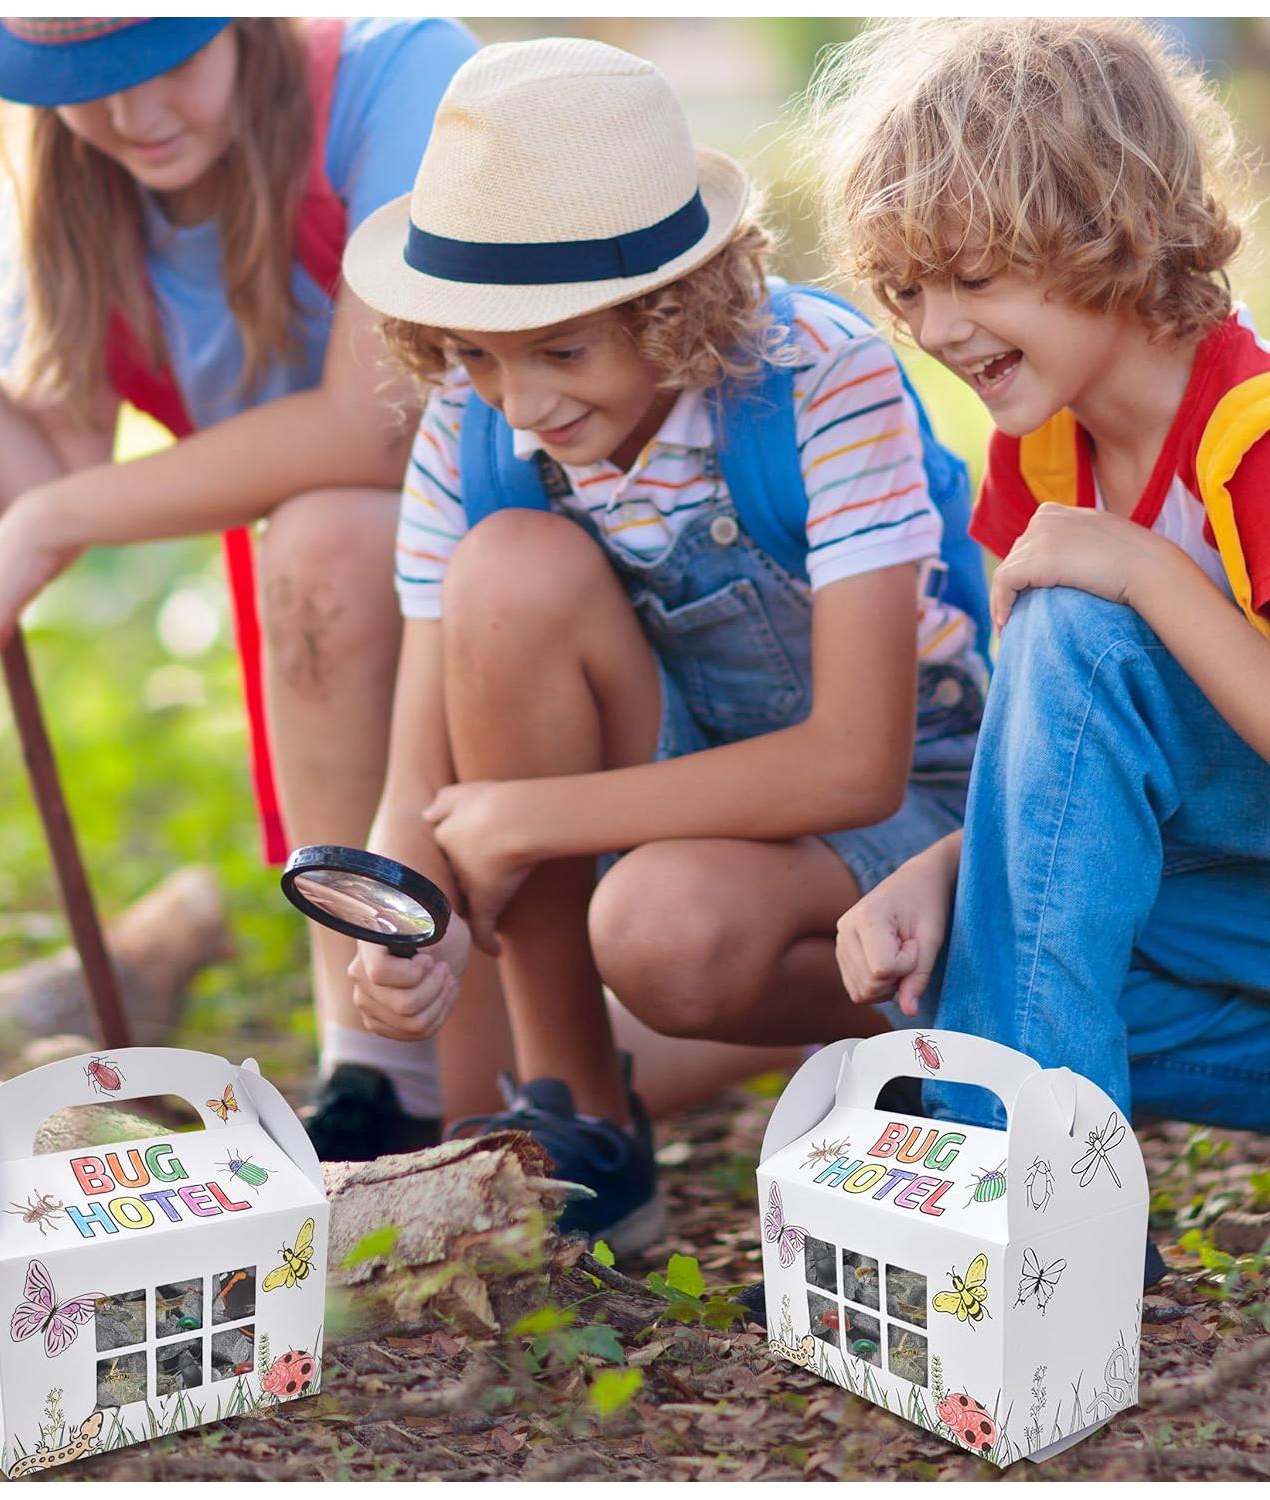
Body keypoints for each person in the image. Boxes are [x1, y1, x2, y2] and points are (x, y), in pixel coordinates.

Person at [336, 37, 991, 1251]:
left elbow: (857, 765)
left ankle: (990, 1020)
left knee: (660, 934)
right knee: (506, 569)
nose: (521, 401)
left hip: (914, 801)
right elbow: (418, 786)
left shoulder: (815, 380)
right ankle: (583, 1119)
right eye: (478, 353)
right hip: (667, 766)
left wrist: (527, 819)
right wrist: (401, 915)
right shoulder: (469, 428)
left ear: (674, 306)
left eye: (563, 349)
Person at [0, 15, 483, 1159]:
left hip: (530, 557)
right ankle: (374, 1077)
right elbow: (15, 509)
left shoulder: (391, 80)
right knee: (320, 545)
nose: (134, 116)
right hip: (329, 597)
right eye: (89, 82)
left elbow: (377, 424)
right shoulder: (71, 182)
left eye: (168, 61)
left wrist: (52, 516)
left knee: (326, 531)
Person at [819, 18, 1270, 1136]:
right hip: (1226, 907)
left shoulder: (1262, 439)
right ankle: (1026, 1173)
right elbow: (1055, 781)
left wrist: (1144, 570)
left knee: (1078, 622)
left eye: (973, 277)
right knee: (973, 950)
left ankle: (1013, 1192)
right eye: (906, 291)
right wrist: (947, 866)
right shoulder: (1032, 460)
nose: (936, 328)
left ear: (1109, 231)